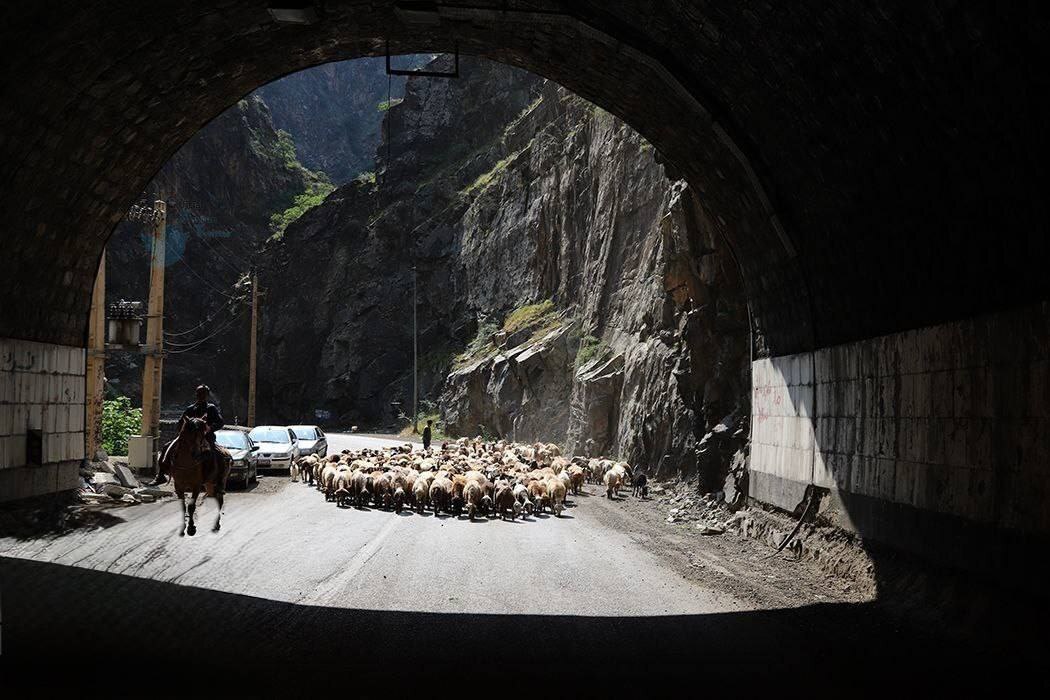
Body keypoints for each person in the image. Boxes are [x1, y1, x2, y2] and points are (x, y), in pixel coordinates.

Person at [148, 384, 225, 486]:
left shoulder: (211, 408)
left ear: (207, 395)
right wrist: (183, 432)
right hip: (188, 438)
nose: (200, 396)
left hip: (205, 437)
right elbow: (180, 422)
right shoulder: (190, 408)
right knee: (167, 446)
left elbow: (220, 422)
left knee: (219, 455)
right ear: (196, 395)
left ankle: (219, 480)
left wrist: (209, 429)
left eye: (203, 394)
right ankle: (161, 475)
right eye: (199, 394)